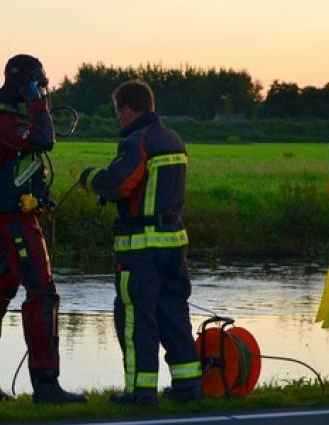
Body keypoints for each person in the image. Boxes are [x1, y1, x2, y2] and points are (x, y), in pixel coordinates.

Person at [0, 54, 85, 404]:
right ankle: (46, 386)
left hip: (4, 219)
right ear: (25, 81)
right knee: (42, 293)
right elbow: (44, 140)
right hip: (12, 220)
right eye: (38, 82)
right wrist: (37, 102)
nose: (43, 89)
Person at [78, 80, 202, 405]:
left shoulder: (137, 141)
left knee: (135, 320)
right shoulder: (174, 139)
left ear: (130, 109)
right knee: (174, 314)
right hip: (174, 245)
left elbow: (119, 184)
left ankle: (139, 391)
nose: (118, 118)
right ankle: (189, 386)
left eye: (119, 111)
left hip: (140, 250)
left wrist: (89, 177)